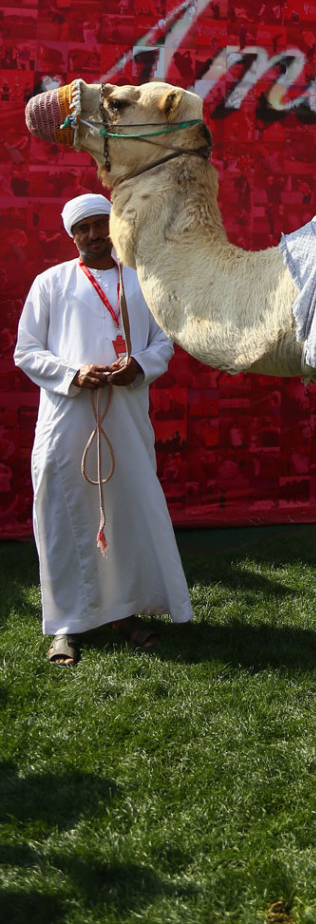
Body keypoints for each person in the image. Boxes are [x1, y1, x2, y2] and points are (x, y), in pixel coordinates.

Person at [14, 193, 193, 665]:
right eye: (84, 228)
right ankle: (66, 626)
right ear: (71, 235)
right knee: (64, 518)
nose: (94, 235)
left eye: (101, 225)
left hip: (126, 419)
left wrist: (139, 364)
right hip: (66, 421)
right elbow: (26, 351)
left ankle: (126, 612)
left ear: (113, 228)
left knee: (125, 516)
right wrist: (73, 374)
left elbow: (162, 344)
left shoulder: (141, 281)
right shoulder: (50, 283)